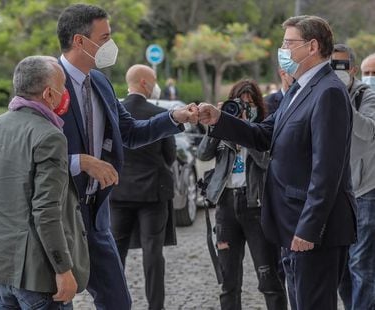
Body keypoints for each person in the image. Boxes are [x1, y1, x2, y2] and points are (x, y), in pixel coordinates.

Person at [198, 15, 357, 310]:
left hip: (312, 231)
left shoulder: (329, 92)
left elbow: (327, 170)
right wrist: (220, 119)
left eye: (288, 43)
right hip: (290, 224)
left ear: (312, 46)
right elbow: (264, 134)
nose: (282, 50)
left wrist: (309, 229)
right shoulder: (299, 89)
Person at [56, 4, 198, 309]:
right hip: (59, 214)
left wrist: (175, 117)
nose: (111, 45)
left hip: (97, 214)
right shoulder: (47, 81)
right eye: (105, 37)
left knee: (117, 301)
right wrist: (79, 161)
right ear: (80, 41)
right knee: (54, 299)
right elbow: (30, 153)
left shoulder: (101, 83)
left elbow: (131, 132)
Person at [0, 56, 89, 308]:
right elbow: (46, 211)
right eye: (63, 85)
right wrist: (64, 269)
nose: (66, 92)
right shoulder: (50, 136)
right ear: (48, 93)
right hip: (38, 276)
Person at [197, 80, 287, 310]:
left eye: (250, 104)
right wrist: (218, 124)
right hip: (226, 205)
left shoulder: (265, 130)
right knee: (228, 282)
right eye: (239, 103)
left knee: (269, 278)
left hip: (256, 205)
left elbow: (266, 161)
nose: (244, 108)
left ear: (258, 105)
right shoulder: (223, 126)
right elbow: (203, 154)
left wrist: (247, 131)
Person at [109, 64, 176, 310]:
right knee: (153, 252)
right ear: (145, 83)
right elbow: (170, 156)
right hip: (153, 193)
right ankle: (155, 306)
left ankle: (114, 304)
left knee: (115, 253)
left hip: (118, 192)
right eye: (154, 80)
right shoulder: (159, 114)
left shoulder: (114, 112)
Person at [331, 44, 375, 310]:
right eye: (331, 66)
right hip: (335, 192)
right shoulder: (321, 93)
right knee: (341, 267)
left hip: (365, 189)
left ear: (352, 69)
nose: (336, 72)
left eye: (341, 66)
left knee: (361, 263)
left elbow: (367, 131)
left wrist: (342, 99)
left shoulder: (364, 94)